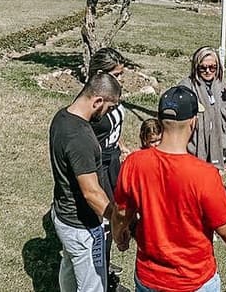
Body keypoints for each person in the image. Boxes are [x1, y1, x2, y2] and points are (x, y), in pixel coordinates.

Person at [112, 86, 226, 292]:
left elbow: (121, 213)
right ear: (193, 121)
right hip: (193, 281)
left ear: (160, 118)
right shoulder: (204, 174)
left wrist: (119, 234)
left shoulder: (134, 163)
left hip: (149, 278)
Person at [49, 72, 124, 292]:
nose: (109, 113)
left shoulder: (62, 117)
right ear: (98, 101)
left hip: (62, 215)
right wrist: (117, 221)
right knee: (93, 286)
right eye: (109, 108)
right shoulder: (79, 137)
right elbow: (91, 193)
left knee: (70, 267)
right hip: (82, 226)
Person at [87, 48, 129, 291]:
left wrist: (121, 145)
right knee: (103, 220)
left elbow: (114, 125)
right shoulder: (93, 105)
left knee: (115, 216)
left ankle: (106, 260)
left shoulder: (113, 99)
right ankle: (100, 276)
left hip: (113, 162)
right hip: (99, 165)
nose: (121, 80)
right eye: (117, 75)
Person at [178, 46, 226, 182]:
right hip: (192, 151)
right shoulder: (185, 87)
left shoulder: (223, 88)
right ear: (195, 67)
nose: (208, 71)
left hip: (217, 149)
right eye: (203, 67)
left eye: (212, 67)